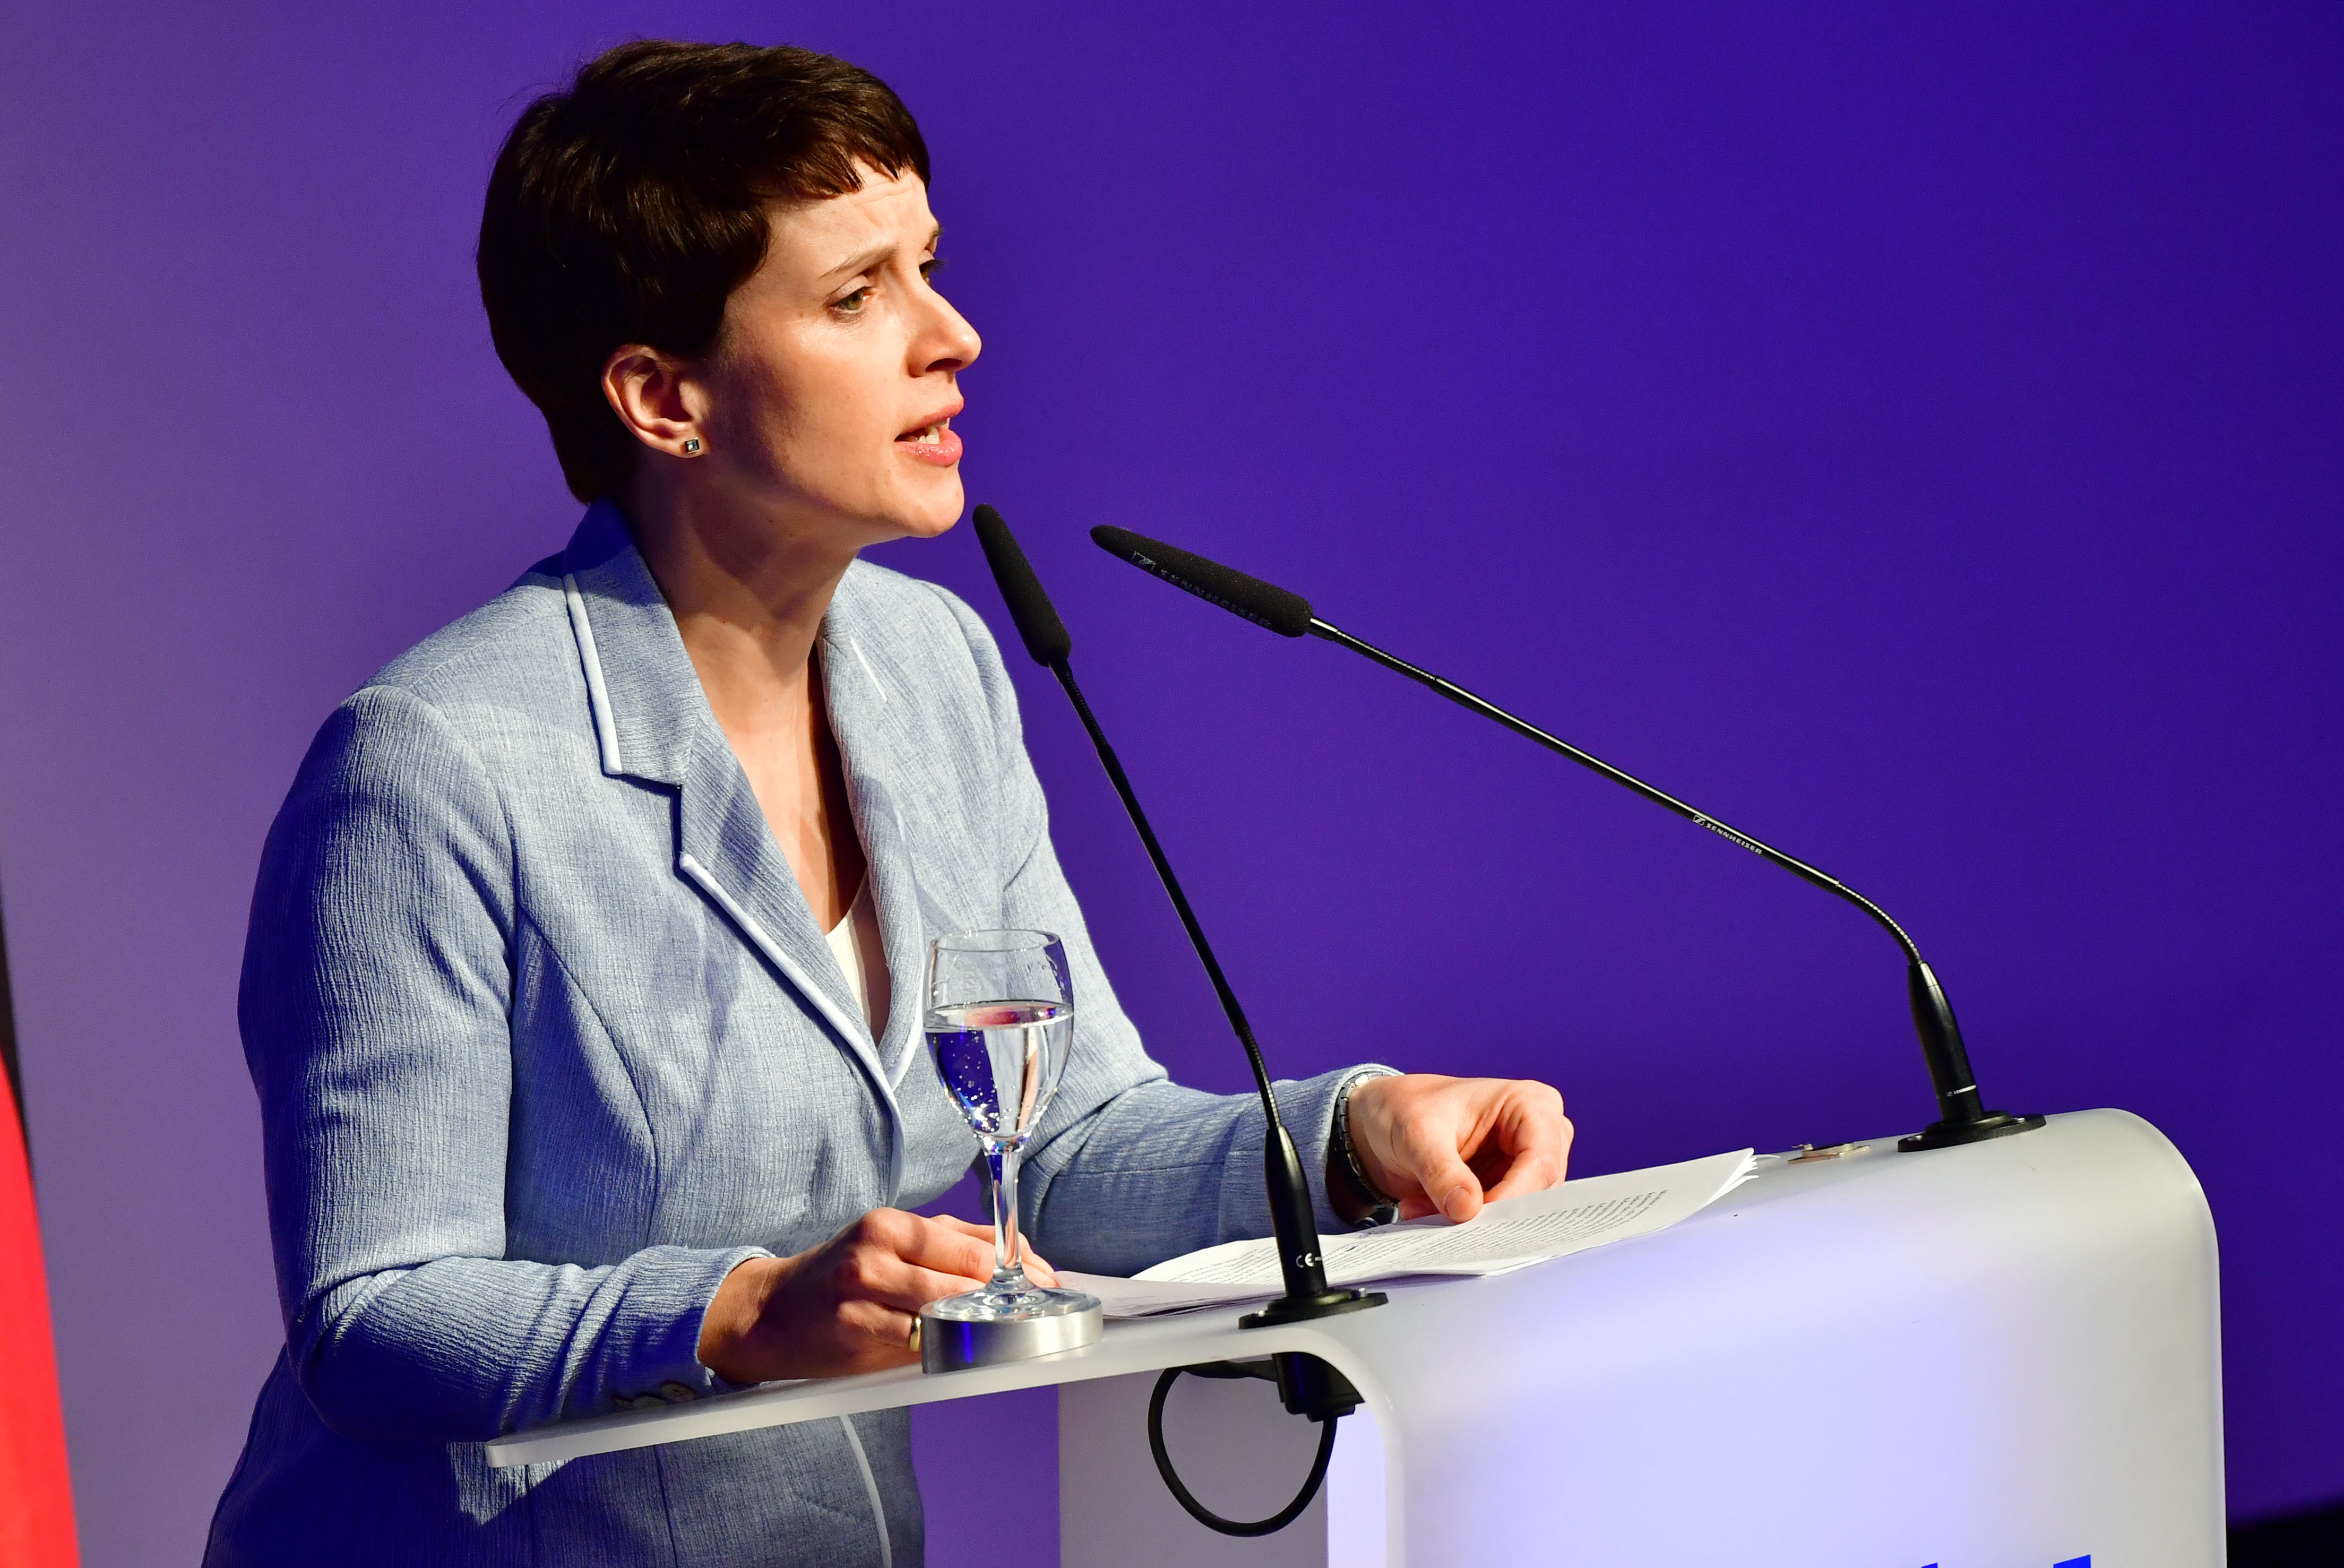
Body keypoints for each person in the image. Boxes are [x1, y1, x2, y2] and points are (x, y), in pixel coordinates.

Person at [203, 39, 1572, 1568]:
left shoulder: (933, 668)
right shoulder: (433, 765)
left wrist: (1349, 1134)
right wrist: (736, 1308)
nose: (957, 335)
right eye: (858, 297)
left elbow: (1054, 1148)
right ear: (664, 398)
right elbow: (373, 1309)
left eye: (928, 266)